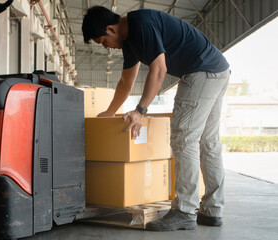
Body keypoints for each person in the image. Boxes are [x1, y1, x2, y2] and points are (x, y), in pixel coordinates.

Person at [82, 6, 230, 231]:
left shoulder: (141, 25)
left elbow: (159, 70)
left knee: (184, 139)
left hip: (201, 72)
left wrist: (140, 111)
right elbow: (125, 83)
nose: (106, 47)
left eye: (103, 41)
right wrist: (110, 111)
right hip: (217, 70)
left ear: (110, 29)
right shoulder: (130, 42)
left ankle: (184, 211)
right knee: (208, 142)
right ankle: (212, 210)